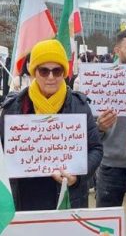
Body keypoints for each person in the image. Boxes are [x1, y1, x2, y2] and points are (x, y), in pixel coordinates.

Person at [0, 40, 103, 210]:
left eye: (57, 70)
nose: (50, 77)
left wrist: (77, 177)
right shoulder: (13, 108)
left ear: (64, 72)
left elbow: (96, 149)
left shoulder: (80, 106)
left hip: (67, 198)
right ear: (34, 72)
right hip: (24, 199)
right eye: (44, 70)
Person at [94, 29, 126, 208]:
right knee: (106, 227)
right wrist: (99, 126)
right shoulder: (99, 79)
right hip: (110, 166)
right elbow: (87, 129)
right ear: (117, 50)